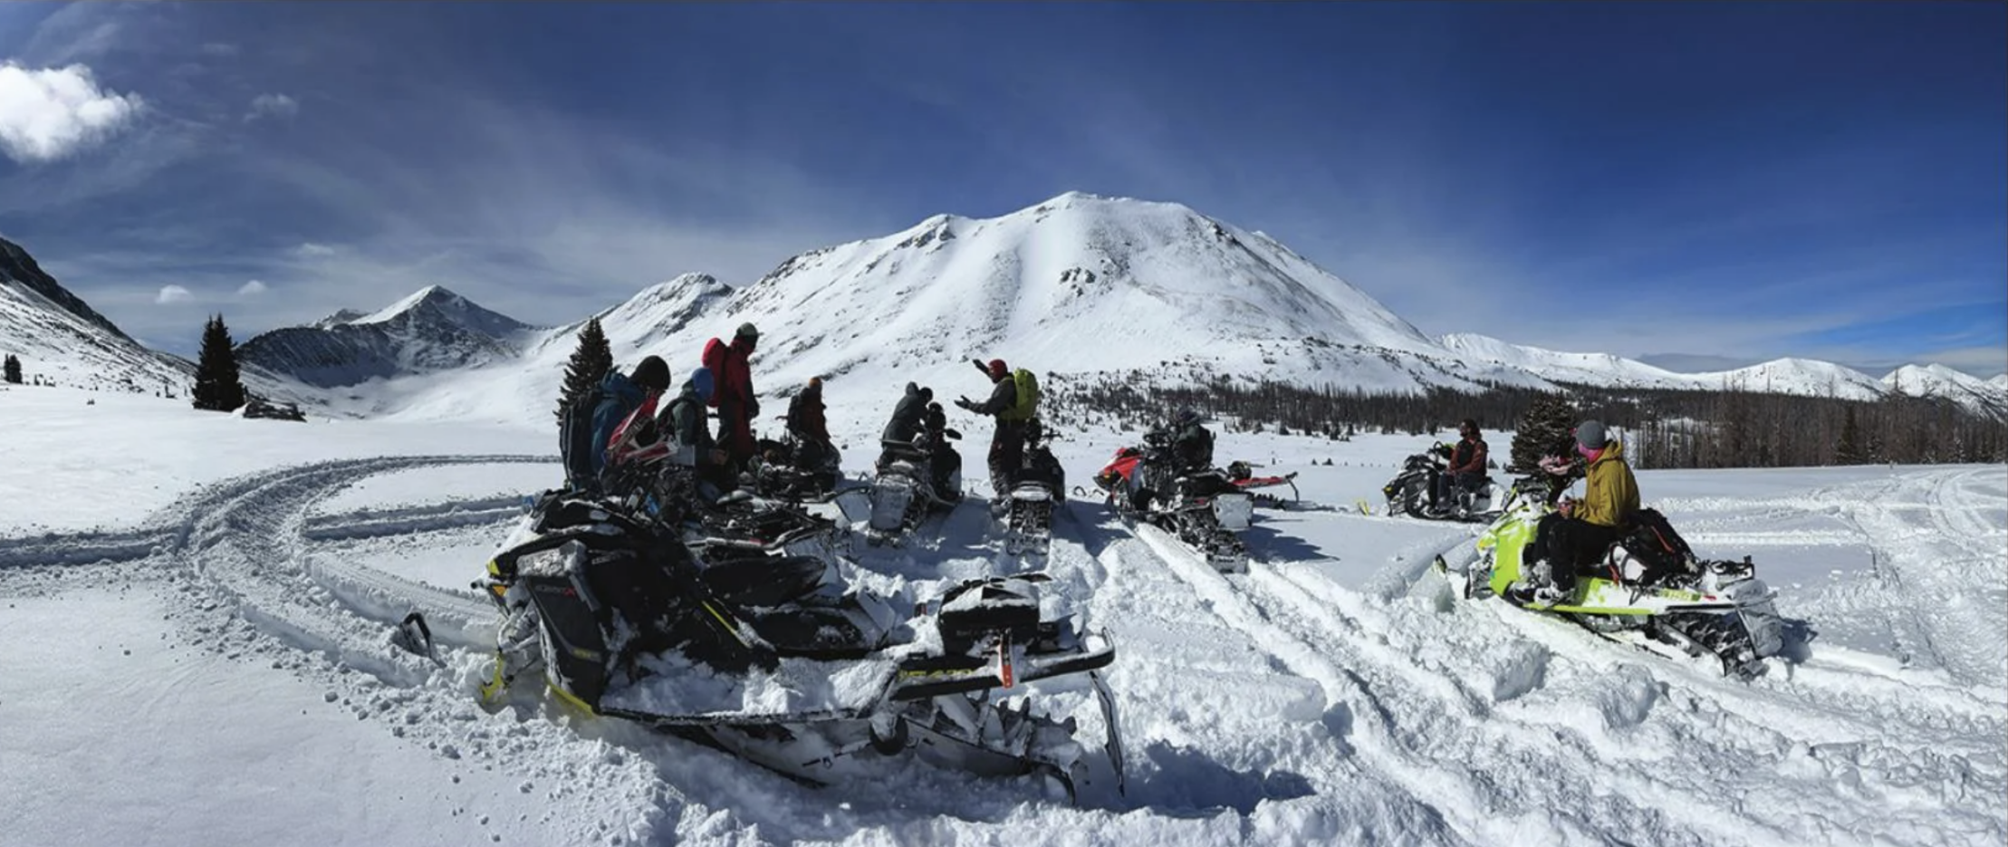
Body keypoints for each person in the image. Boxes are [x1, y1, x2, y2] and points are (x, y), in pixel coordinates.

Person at [1511, 420, 1640, 604]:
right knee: (1548, 522)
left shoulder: (1610, 468)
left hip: (1614, 530)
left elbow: (1609, 515)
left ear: (1586, 444)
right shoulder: (1597, 463)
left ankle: (1562, 588)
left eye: (1579, 442)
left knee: (1561, 532)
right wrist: (1573, 506)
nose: (1576, 446)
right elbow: (1596, 504)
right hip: (1602, 523)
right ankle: (1542, 574)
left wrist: (1576, 510)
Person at [954, 358, 1035, 501]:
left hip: (1006, 429)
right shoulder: (1010, 381)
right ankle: (1016, 493)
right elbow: (997, 377)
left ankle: (1005, 495)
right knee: (1013, 462)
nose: (990, 375)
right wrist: (983, 369)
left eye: (992, 371)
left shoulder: (1005, 386)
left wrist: (968, 405)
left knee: (996, 460)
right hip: (1017, 428)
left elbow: (988, 408)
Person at [586, 355, 670, 487]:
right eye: (658, 392)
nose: (658, 398)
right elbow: (600, 457)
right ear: (646, 387)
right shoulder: (615, 408)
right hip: (602, 491)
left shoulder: (633, 408)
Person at [702, 323, 760, 473]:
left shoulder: (736, 354)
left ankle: (730, 469)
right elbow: (740, 383)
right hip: (734, 405)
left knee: (732, 435)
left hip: (731, 405)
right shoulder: (737, 356)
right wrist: (750, 402)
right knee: (733, 437)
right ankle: (723, 470)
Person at [1429, 419, 1488, 516]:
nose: (1461, 431)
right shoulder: (1461, 444)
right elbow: (1454, 460)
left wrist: (1458, 471)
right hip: (1460, 472)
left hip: (1475, 474)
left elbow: (1475, 465)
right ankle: (1443, 506)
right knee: (1442, 478)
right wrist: (1450, 469)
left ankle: (1465, 507)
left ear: (1469, 429)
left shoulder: (1479, 445)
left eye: (1463, 428)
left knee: (1462, 478)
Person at [877, 382, 933, 471]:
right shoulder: (917, 400)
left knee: (889, 455)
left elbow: (910, 417)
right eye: (928, 400)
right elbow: (927, 418)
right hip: (899, 432)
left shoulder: (908, 399)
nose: (926, 403)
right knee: (904, 457)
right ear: (926, 397)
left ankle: (882, 474)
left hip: (889, 431)